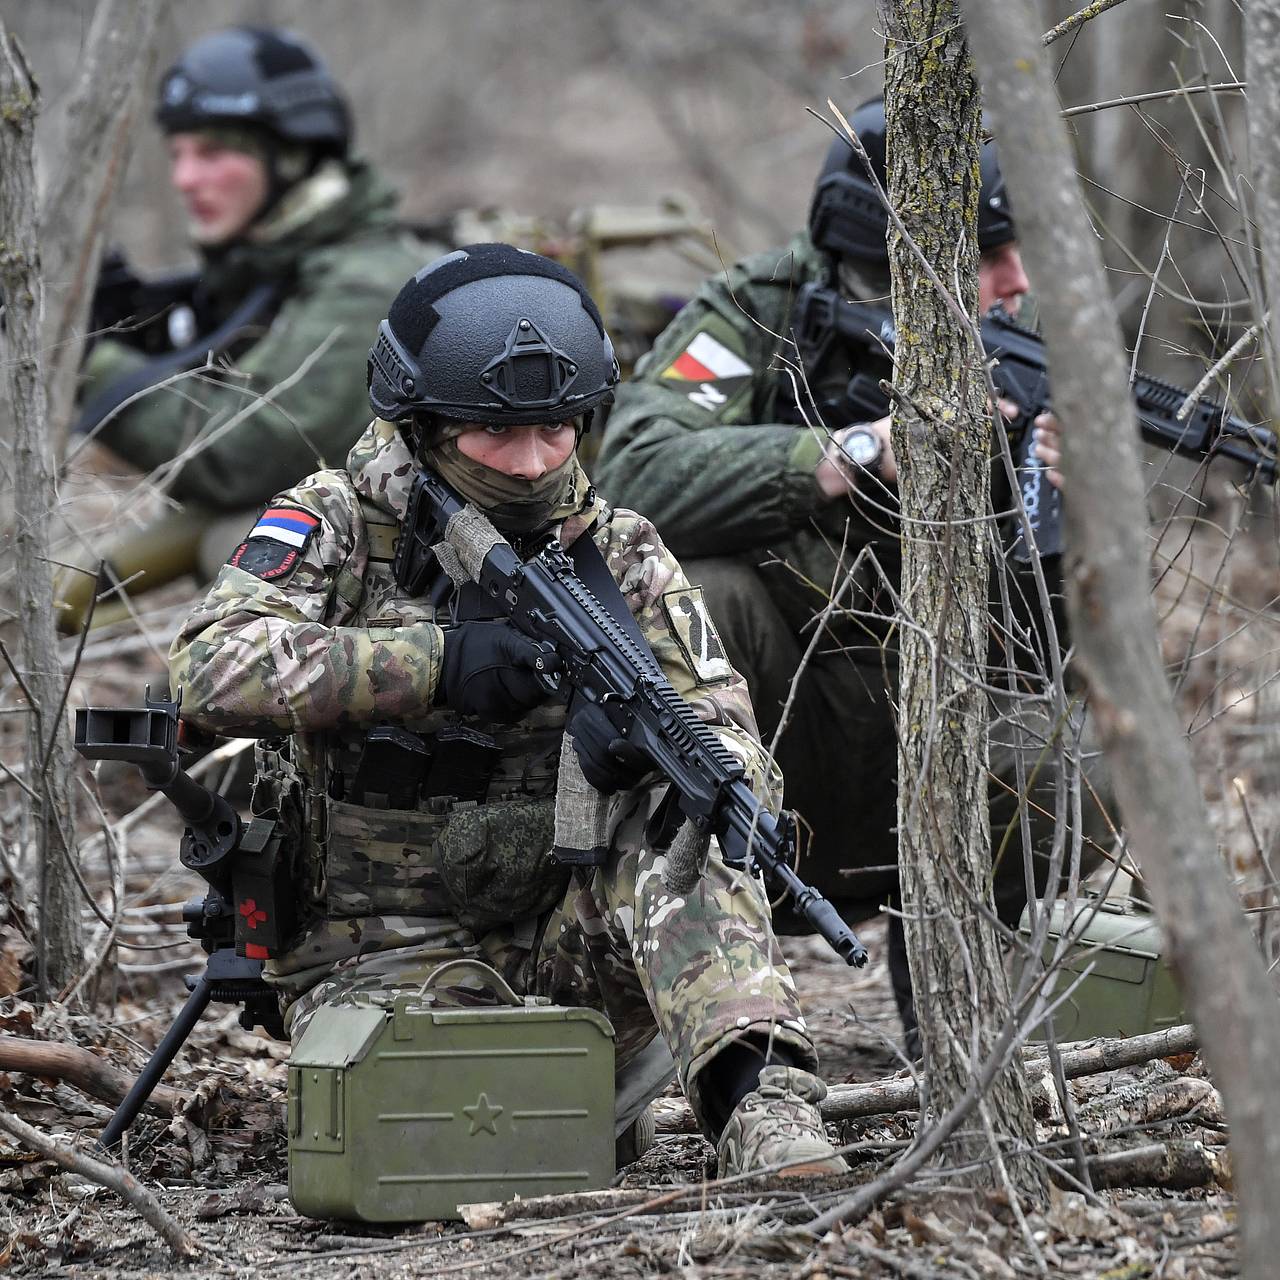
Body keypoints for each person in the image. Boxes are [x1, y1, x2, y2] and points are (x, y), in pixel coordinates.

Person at [168, 244, 848, 1180]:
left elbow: (720, 718)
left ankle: (763, 1107)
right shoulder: (336, 524)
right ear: (425, 423)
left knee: (694, 825)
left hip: (566, 932)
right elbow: (207, 667)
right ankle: (567, 1102)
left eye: (556, 430)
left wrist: (645, 761)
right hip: (378, 947)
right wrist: (433, 665)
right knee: (447, 1143)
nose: (531, 463)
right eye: (497, 433)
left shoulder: (620, 552)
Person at [592, 98, 1113, 1045]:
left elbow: (1041, 660)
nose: (1015, 280)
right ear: (901, 255)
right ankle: (702, 994)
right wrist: (853, 450)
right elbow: (632, 474)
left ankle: (956, 1009)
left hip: (933, 734)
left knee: (1085, 755)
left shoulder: (1024, 354)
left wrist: (1066, 514)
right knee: (706, 594)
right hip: (778, 734)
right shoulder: (758, 314)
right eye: (989, 252)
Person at [57, 25, 433, 632]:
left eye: (212, 153)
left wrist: (82, 359)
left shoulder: (366, 283)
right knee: (66, 594)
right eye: (177, 153)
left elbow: (242, 455)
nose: (183, 178)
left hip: (411, 569)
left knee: (231, 541)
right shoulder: (272, 263)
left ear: (289, 157)